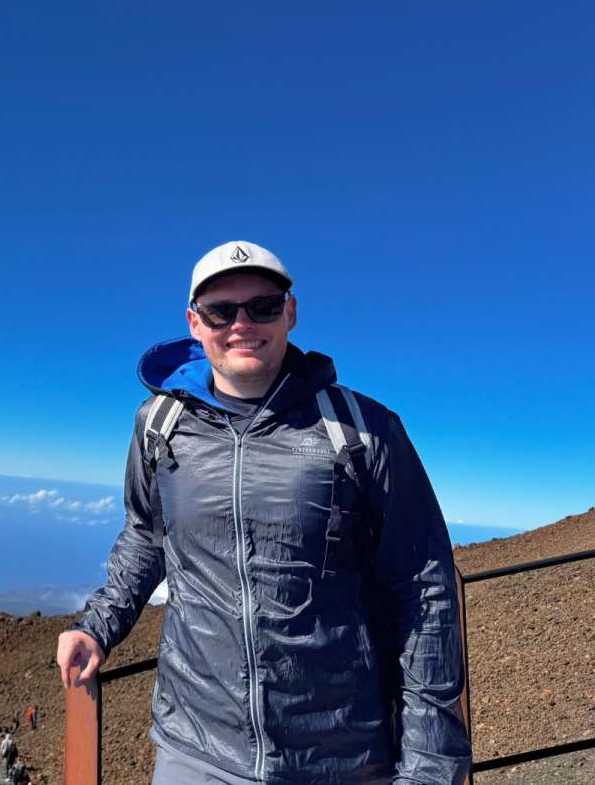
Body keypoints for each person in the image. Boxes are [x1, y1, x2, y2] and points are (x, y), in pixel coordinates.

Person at [55, 241, 471, 784]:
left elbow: (423, 588)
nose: (241, 324)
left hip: (341, 756)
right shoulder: (160, 426)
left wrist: (431, 766)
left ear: (290, 312)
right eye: (221, 311)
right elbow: (147, 537)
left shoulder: (360, 430)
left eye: (263, 306)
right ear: (194, 322)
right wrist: (99, 626)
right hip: (196, 750)